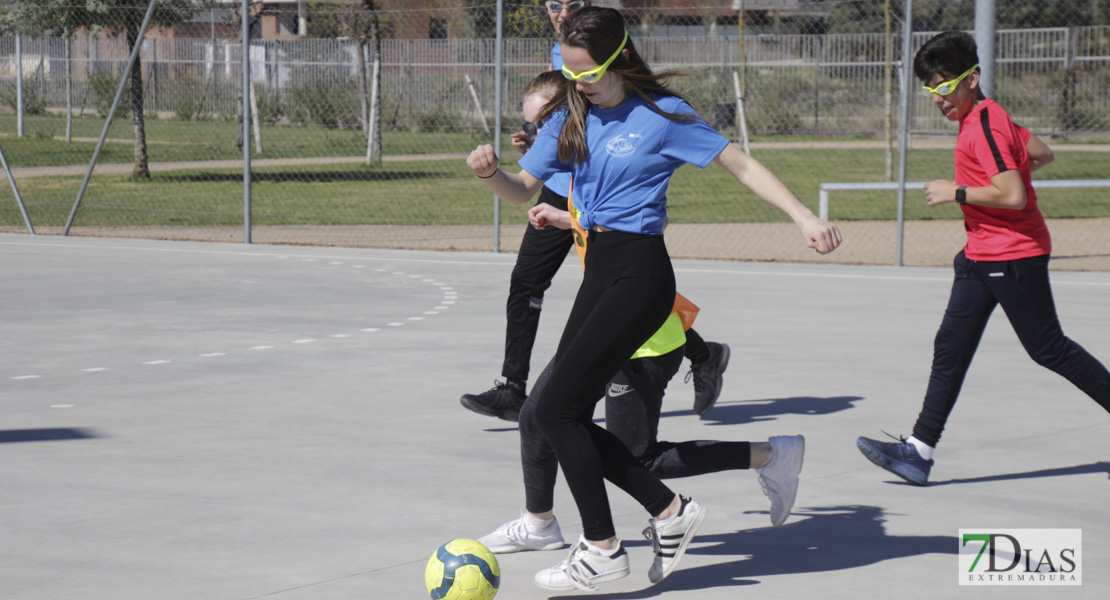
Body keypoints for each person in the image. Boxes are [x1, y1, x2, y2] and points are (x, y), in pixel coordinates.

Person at [465, 7, 841, 590]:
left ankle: (604, 548)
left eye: (586, 73)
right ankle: (669, 512)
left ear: (617, 60)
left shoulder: (662, 116)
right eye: (568, 72)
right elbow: (520, 191)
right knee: (546, 411)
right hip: (599, 272)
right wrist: (489, 172)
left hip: (640, 275)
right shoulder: (570, 114)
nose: (577, 83)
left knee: (558, 409)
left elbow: (740, 164)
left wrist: (803, 216)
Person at [856, 31, 1110, 486]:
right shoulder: (992, 118)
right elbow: (1041, 153)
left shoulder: (986, 125)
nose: (937, 98)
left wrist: (957, 192)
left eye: (944, 86)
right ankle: (918, 449)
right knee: (949, 349)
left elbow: (1012, 194)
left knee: (1049, 349)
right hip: (980, 255)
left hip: (1014, 256)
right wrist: (1000, 174)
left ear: (971, 79)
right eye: (929, 89)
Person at [459, 0, 730, 422]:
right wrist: (534, 148)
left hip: (602, 197)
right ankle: (516, 388)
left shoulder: (606, 59)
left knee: (622, 288)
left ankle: (697, 352)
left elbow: (619, 125)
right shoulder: (564, 60)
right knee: (528, 284)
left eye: (571, 3)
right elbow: (550, 136)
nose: (561, 11)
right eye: (553, 3)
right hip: (564, 188)